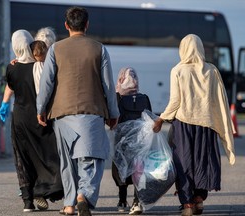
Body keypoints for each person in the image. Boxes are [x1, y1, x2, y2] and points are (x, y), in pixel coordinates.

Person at [36, 6, 119, 216]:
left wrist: (41, 108)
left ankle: (70, 205)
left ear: (66, 25)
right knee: (91, 158)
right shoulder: (99, 49)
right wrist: (113, 112)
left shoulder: (55, 49)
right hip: (92, 111)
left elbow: (47, 83)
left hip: (61, 113)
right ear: (87, 25)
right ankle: (84, 195)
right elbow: (108, 85)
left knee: (67, 161)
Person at [152, 34, 235, 216]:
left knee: (184, 163)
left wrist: (160, 119)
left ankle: (187, 203)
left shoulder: (178, 70)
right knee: (203, 161)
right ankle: (199, 200)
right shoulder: (212, 70)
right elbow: (219, 99)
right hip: (206, 125)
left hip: (184, 124)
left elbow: (175, 101)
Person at [0, 29, 63, 212]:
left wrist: (4, 104)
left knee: (22, 157)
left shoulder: (11, 67)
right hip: (40, 117)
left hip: (19, 117)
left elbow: (10, 86)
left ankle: (28, 201)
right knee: (45, 154)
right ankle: (48, 190)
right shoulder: (40, 65)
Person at [112, 67, 152, 215]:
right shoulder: (144, 98)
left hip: (121, 142)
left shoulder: (117, 97)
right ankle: (137, 201)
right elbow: (149, 117)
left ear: (121, 79)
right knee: (138, 170)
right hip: (140, 141)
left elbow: (113, 118)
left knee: (121, 167)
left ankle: (122, 200)